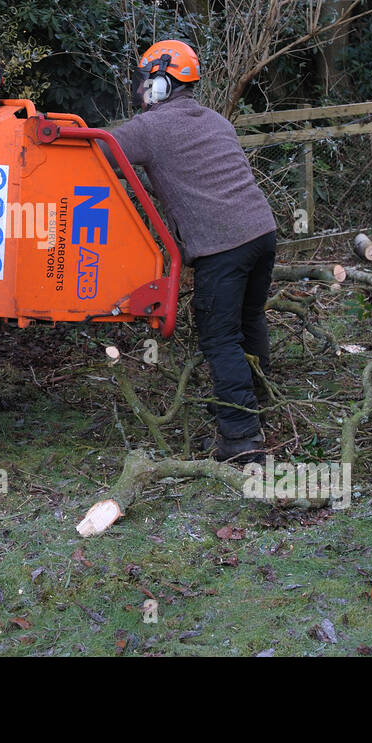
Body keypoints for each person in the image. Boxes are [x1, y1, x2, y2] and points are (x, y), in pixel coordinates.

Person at [105, 40, 277, 460]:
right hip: (261, 232)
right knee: (249, 320)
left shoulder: (149, 129)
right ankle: (260, 408)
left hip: (223, 247)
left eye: (147, 81)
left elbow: (99, 150)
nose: (142, 89)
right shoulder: (217, 120)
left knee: (219, 338)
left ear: (162, 84)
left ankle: (241, 438)